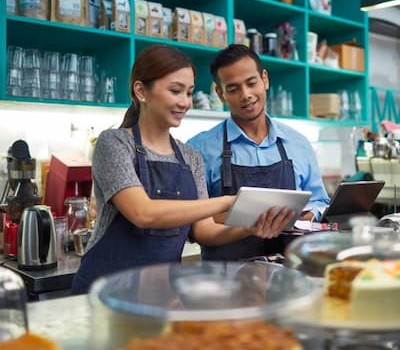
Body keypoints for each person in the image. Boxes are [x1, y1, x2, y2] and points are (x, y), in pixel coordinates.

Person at [71, 45, 294, 294]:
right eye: (175, 91)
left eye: (189, 93)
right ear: (141, 91)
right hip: (103, 291)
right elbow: (143, 213)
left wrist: (250, 228)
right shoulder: (114, 143)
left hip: (159, 292)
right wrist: (228, 202)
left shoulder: (190, 156)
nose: (185, 102)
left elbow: (204, 230)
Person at [187, 44, 330, 261]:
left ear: (265, 79)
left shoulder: (298, 143)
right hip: (225, 280)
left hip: (290, 274)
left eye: (251, 83)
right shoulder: (199, 149)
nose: (246, 95)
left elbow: (320, 202)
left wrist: (301, 215)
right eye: (233, 89)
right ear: (220, 93)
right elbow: (197, 225)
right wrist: (254, 223)